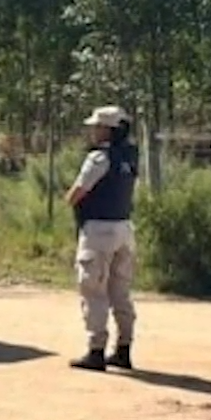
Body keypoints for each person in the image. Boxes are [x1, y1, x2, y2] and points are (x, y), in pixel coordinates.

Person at [65, 105, 139, 372]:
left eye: (97, 127)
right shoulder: (130, 156)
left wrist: (70, 203)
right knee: (121, 291)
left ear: (108, 130)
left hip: (98, 231)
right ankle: (124, 348)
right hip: (124, 229)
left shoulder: (99, 158)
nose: (93, 132)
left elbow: (79, 191)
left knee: (94, 290)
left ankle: (96, 350)